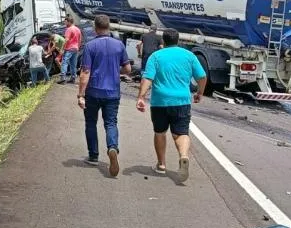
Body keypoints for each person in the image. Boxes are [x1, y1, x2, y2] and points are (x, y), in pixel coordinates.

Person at [135, 29, 207, 183]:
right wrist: (200, 93)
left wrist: (141, 97)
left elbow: (147, 78)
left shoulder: (156, 56)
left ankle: (161, 165)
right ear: (178, 40)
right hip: (181, 101)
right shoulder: (189, 56)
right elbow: (202, 76)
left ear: (164, 41)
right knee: (181, 133)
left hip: (160, 101)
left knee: (160, 132)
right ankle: (183, 156)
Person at [78, 15, 131, 176]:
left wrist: (80, 94)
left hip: (93, 91)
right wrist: (116, 71)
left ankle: (93, 156)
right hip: (112, 92)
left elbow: (85, 72)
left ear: (95, 28)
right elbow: (128, 69)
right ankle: (112, 147)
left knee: (91, 123)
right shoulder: (119, 45)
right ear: (109, 27)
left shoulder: (90, 46)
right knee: (110, 123)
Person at [58, 16, 82, 84]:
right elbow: (80, 40)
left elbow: (66, 40)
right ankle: (73, 78)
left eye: (65, 22)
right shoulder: (78, 29)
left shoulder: (69, 29)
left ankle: (63, 78)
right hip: (75, 49)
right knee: (73, 64)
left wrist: (62, 49)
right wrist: (78, 47)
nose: (64, 23)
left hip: (69, 48)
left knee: (64, 62)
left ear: (69, 22)